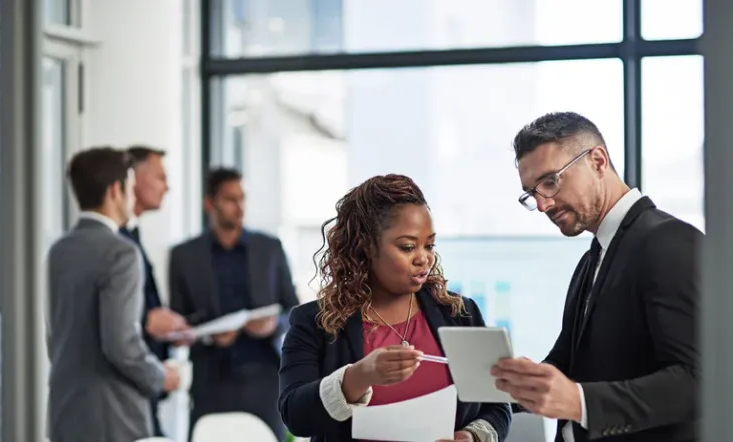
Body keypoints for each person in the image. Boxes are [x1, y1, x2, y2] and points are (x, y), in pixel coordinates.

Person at [492, 112, 700, 442]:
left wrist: (580, 402)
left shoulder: (670, 241)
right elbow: (570, 363)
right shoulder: (591, 260)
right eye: (532, 193)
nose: (543, 204)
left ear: (598, 161)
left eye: (550, 181)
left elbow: (699, 381)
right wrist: (520, 381)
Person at [278, 174, 512, 442]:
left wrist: (472, 437)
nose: (424, 258)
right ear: (366, 247)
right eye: (408, 246)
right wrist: (358, 376)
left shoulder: (460, 312)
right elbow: (295, 416)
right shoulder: (314, 322)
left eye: (430, 245)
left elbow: (497, 405)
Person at [47, 147, 180, 442]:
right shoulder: (121, 252)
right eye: (131, 187)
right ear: (116, 190)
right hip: (113, 416)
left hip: (64, 410)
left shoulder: (59, 250)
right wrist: (161, 377)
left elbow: (54, 336)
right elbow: (121, 344)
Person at [169, 167, 300, 441]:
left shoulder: (270, 248)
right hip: (211, 379)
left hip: (264, 377)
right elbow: (178, 321)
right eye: (230, 199)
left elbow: (293, 310)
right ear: (209, 203)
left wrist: (272, 325)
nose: (239, 207)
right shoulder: (184, 256)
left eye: (242, 198)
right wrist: (208, 335)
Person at [120, 145, 191, 436]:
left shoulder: (132, 235)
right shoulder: (114, 243)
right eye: (160, 177)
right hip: (126, 394)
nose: (168, 186)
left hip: (144, 388)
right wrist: (147, 320)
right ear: (132, 179)